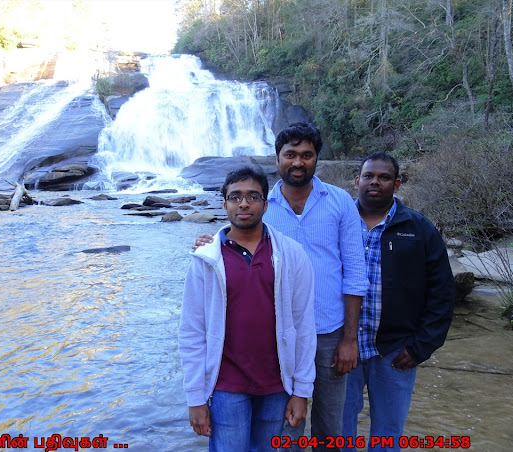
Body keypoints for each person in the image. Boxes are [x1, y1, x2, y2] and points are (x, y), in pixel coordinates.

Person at [194, 122, 368, 451]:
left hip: (330, 332)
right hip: (282, 337)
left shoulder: (341, 201)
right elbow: (237, 238)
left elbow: (355, 272)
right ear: (278, 159)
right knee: (287, 429)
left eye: (306, 155)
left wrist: (350, 338)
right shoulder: (262, 203)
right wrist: (209, 244)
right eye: (290, 155)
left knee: (333, 426)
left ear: (317, 158)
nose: (298, 162)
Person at [179, 166, 317, 451]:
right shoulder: (205, 260)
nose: (244, 203)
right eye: (235, 197)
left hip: (279, 385)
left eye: (252, 196)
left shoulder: (292, 255)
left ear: (266, 205)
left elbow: (304, 326)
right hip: (226, 387)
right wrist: (195, 398)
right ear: (224, 204)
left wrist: (302, 391)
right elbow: (192, 332)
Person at [341, 152, 455, 451]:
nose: (375, 182)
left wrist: (421, 346)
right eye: (368, 176)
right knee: (337, 433)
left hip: (394, 351)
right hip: (343, 347)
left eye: (384, 177)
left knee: (387, 435)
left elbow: (442, 293)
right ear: (357, 181)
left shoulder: (419, 229)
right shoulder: (338, 223)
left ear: (398, 184)